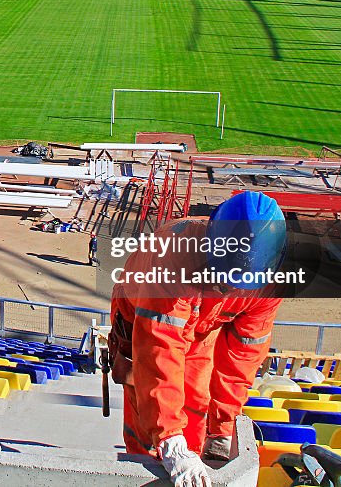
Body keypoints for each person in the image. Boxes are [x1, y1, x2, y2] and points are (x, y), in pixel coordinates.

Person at [109, 191, 287, 487]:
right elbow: (158, 349)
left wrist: (223, 428)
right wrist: (169, 440)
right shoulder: (171, 253)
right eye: (223, 278)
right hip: (143, 320)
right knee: (150, 427)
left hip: (203, 327)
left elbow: (243, 356)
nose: (227, 288)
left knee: (197, 413)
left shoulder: (268, 284)